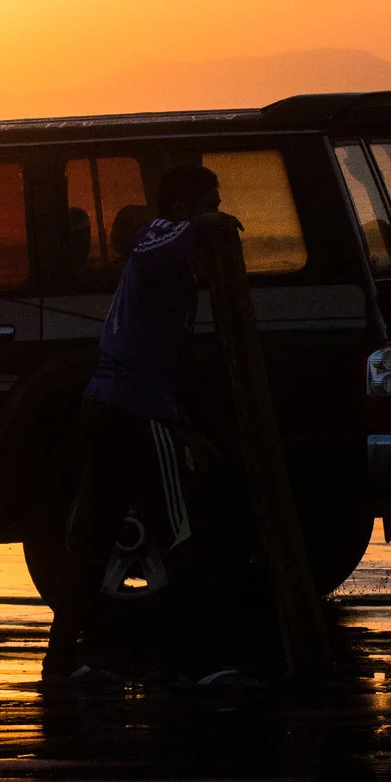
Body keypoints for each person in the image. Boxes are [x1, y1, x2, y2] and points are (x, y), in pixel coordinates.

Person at [44, 163, 240, 682]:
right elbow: (157, 245)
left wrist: (185, 427)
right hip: (131, 412)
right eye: (210, 202)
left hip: (119, 408)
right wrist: (203, 226)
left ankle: (61, 661)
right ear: (179, 208)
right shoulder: (157, 236)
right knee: (181, 531)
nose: (218, 213)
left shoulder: (178, 270)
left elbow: (166, 366)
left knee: (91, 536)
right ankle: (205, 664)